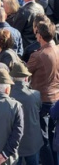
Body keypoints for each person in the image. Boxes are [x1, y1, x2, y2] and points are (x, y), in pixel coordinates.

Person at [27, 20, 59, 164]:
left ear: (39, 36)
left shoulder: (38, 55)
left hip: (43, 100)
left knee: (43, 138)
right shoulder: (57, 49)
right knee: (53, 137)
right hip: (56, 98)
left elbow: (24, 73)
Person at [9, 62, 42, 165]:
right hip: (32, 141)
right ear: (26, 78)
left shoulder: (9, 96)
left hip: (14, 143)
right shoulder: (35, 95)